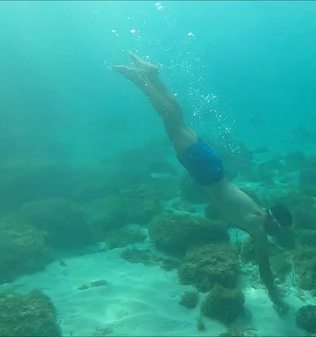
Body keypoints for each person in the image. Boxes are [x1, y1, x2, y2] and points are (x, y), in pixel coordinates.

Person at [111, 52, 292, 313]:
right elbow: (264, 267)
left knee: (177, 121)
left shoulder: (259, 212)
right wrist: (275, 296)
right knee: (171, 122)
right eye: (281, 229)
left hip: (212, 166)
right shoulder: (259, 228)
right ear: (274, 222)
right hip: (206, 171)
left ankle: (152, 75)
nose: (280, 235)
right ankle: (141, 80)